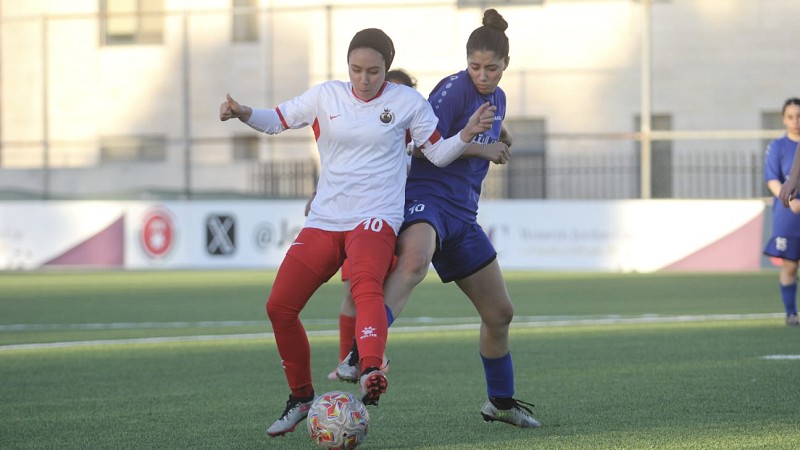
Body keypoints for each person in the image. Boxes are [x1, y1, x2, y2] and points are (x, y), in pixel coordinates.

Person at [219, 27, 496, 438]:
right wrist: (244, 112)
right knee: (279, 306)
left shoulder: (407, 102)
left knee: (365, 285)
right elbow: (277, 120)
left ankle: (369, 369)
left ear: (387, 68)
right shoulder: (325, 96)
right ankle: (300, 398)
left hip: (376, 218)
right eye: (356, 70)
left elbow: (437, 152)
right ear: (347, 67)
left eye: (374, 71)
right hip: (326, 219)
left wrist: (467, 134)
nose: (364, 80)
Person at [336, 9, 540, 428]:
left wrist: (504, 136)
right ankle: (362, 351)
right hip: (426, 200)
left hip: (463, 217)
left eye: (492, 68)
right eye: (475, 67)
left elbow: (493, 125)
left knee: (500, 313)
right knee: (414, 262)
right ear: (466, 63)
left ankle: (500, 403)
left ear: (506, 66)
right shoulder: (450, 90)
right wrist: (483, 147)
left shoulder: (497, 98)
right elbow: (424, 143)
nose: (483, 76)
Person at [314, 68, 418, 381]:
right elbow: (342, 170)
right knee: (353, 291)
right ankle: (348, 361)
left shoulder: (420, 131)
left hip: (399, 219)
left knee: (384, 289)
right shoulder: (365, 130)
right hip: (361, 217)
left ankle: (368, 352)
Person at [763, 97, 800, 326]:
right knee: (790, 264)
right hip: (788, 215)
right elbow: (772, 179)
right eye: (791, 117)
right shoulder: (777, 146)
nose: (796, 121)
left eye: (799, 116)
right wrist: (789, 200)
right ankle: (791, 313)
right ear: (783, 119)